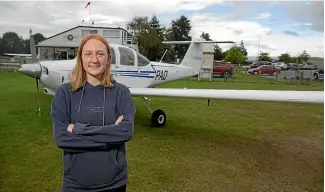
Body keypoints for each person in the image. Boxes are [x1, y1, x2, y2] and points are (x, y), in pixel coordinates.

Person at [50, 34, 136, 192]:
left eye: (100, 54)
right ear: (80, 58)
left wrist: (77, 130)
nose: (94, 59)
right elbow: (61, 138)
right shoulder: (64, 93)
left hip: (114, 183)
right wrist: (110, 136)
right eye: (88, 53)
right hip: (75, 184)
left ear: (108, 58)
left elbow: (125, 132)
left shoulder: (122, 93)